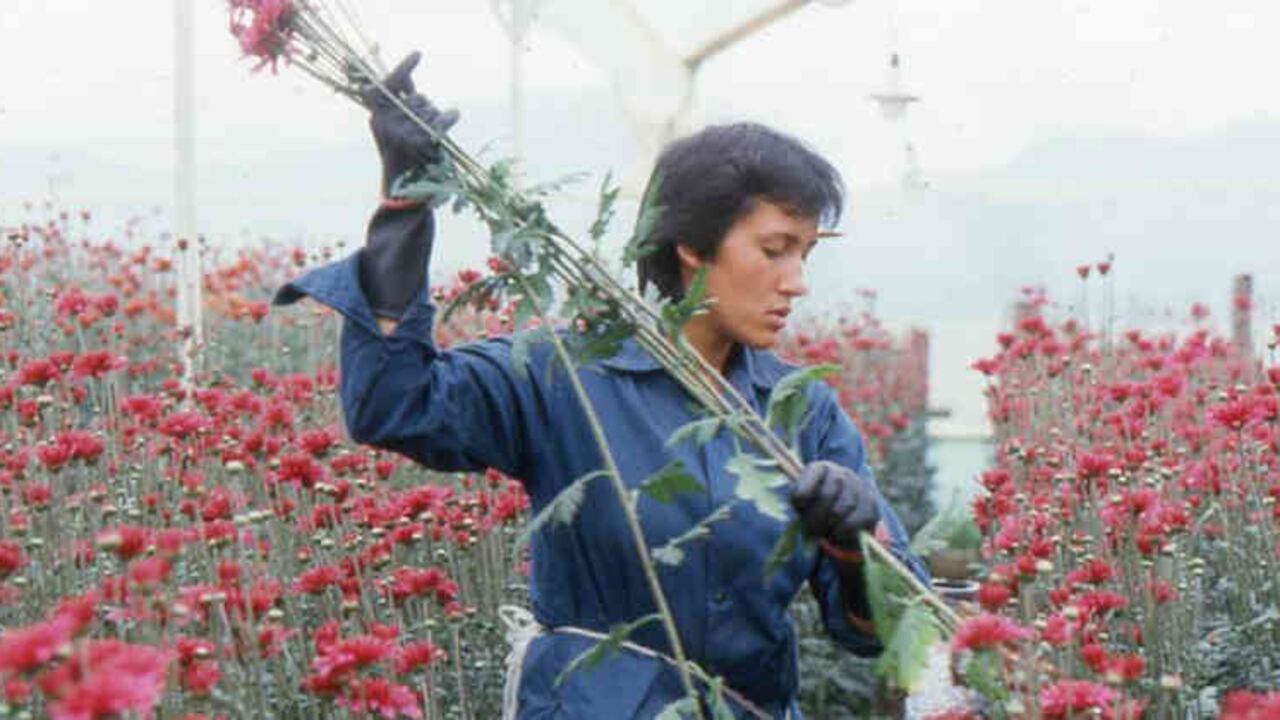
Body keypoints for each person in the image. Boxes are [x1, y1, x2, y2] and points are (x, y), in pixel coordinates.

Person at [275, 52, 929, 720]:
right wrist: (404, 209)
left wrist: (855, 545)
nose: (797, 281)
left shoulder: (802, 414)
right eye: (774, 249)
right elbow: (395, 405)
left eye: (805, 254)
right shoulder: (565, 374)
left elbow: (882, 632)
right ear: (693, 247)